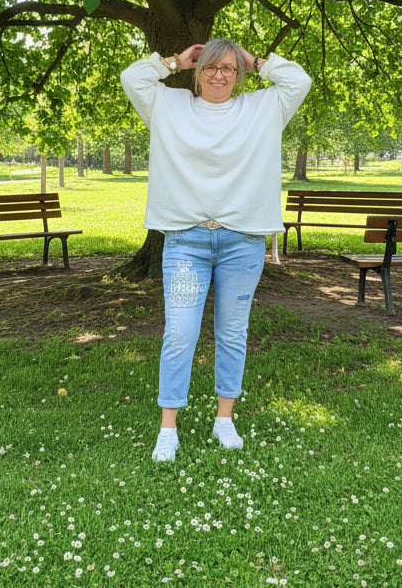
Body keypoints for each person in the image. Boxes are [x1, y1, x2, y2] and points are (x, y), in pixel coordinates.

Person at [120, 38, 312, 462]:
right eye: (209, 66)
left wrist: (256, 61)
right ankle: (168, 429)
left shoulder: (264, 107)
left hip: (241, 243)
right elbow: (132, 77)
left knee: (232, 332)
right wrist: (174, 61)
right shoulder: (167, 106)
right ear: (197, 70)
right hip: (186, 243)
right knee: (179, 334)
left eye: (228, 68)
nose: (219, 75)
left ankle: (224, 419)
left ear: (238, 73)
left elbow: (299, 81)